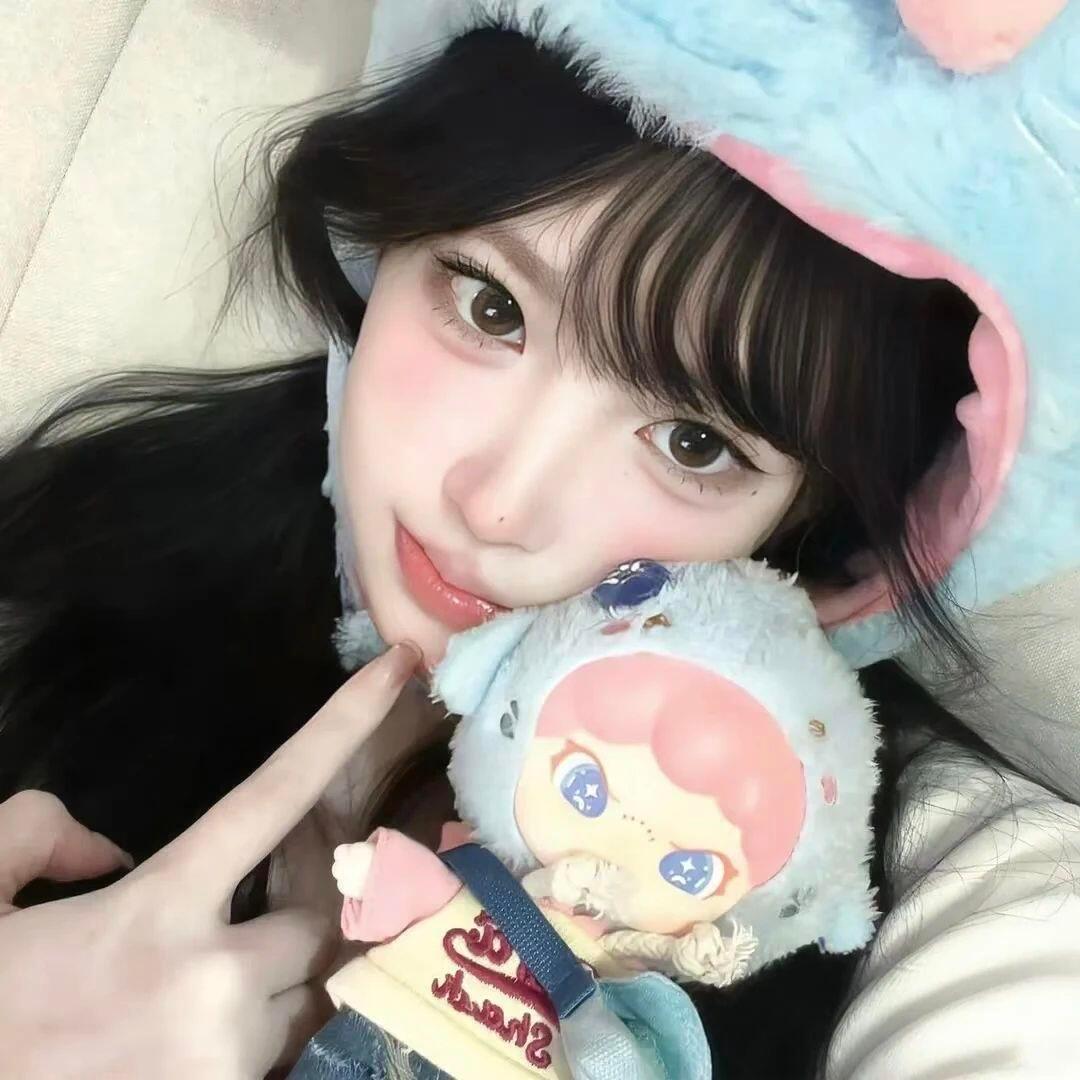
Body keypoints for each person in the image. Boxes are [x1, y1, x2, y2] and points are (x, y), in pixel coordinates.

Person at [0, 7, 1077, 1078]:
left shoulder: (951, 896)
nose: (498, 506)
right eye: (490, 308)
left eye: (694, 443)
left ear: (808, 520)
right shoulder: (85, 543)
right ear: (388, 242)